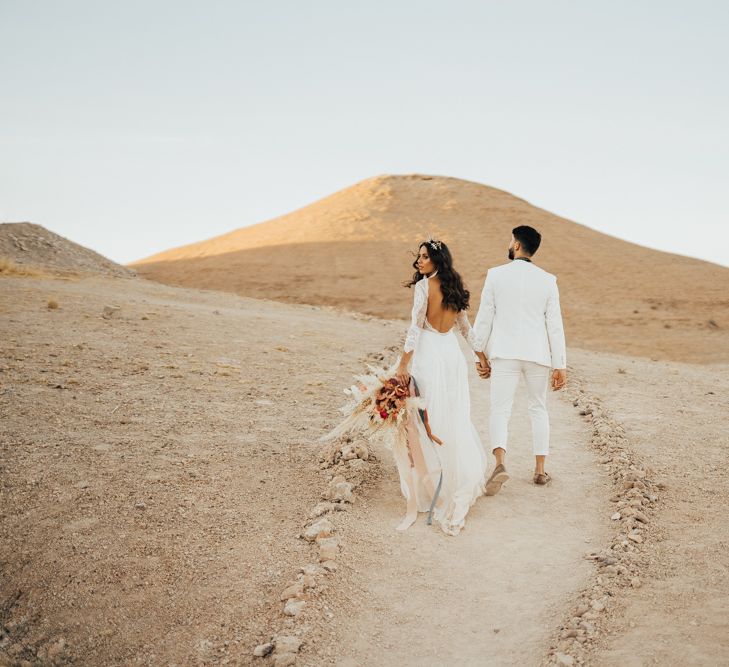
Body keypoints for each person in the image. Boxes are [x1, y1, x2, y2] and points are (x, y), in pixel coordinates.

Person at [395, 238, 488, 535]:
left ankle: (435, 485)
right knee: (453, 417)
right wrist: (481, 356)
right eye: (419, 257)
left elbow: (415, 328)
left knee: (428, 420)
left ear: (437, 260)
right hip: (452, 358)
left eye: (424, 257)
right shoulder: (454, 287)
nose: (419, 262)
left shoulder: (424, 288)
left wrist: (402, 365)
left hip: (430, 356)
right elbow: (466, 330)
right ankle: (453, 476)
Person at [472, 225, 567, 492]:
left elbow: (484, 318)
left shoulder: (496, 275)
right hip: (538, 354)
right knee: (538, 408)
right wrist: (560, 364)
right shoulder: (548, 280)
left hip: (504, 353)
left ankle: (500, 464)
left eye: (510, 240)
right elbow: (555, 325)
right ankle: (539, 470)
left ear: (516, 245)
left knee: (500, 409)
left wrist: (479, 355)